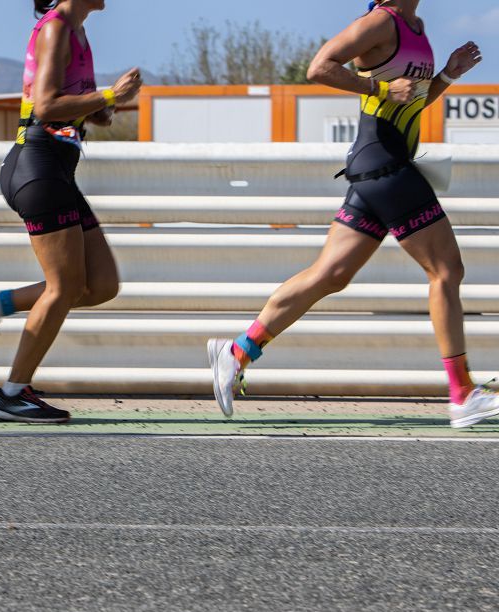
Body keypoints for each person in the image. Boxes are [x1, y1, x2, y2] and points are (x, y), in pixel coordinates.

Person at [207, 0, 489, 428]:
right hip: (384, 165)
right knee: (446, 270)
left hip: (381, 165)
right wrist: (377, 88)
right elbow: (319, 67)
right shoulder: (379, 22)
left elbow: (409, 102)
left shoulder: (415, 25)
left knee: (331, 275)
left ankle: (238, 351)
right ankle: (462, 393)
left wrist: (447, 75)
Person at [0, 0, 140, 424]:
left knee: (101, 284)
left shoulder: (77, 30)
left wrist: (102, 107)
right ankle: (11, 393)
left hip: (56, 167)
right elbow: (44, 106)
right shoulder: (55, 27)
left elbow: (77, 104)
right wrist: (111, 95)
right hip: (38, 164)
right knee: (63, 287)